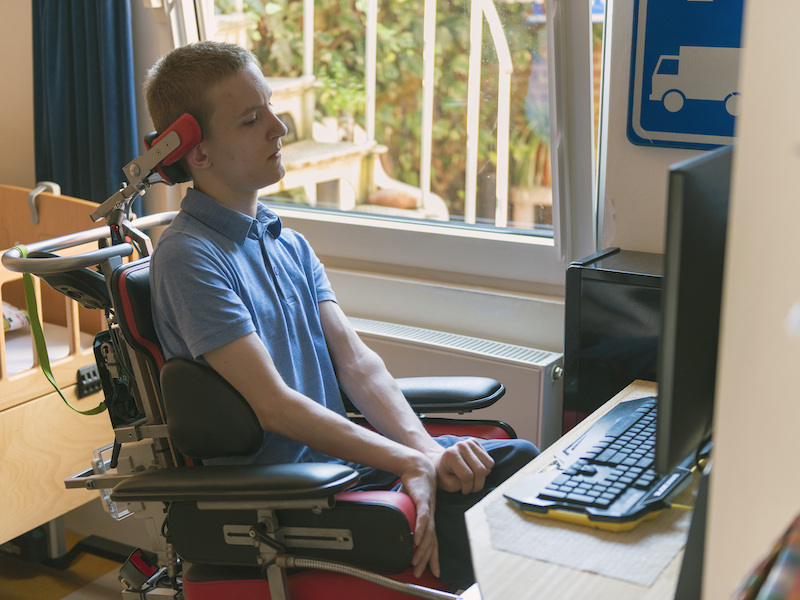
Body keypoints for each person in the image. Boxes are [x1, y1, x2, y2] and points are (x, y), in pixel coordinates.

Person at [144, 41, 538, 589]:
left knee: (520, 464)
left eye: (272, 108)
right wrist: (407, 464)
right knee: (499, 513)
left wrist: (423, 452)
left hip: (346, 468)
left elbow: (357, 364)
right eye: (252, 119)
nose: (280, 128)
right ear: (199, 153)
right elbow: (275, 407)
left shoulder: (290, 244)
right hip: (293, 494)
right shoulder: (189, 257)